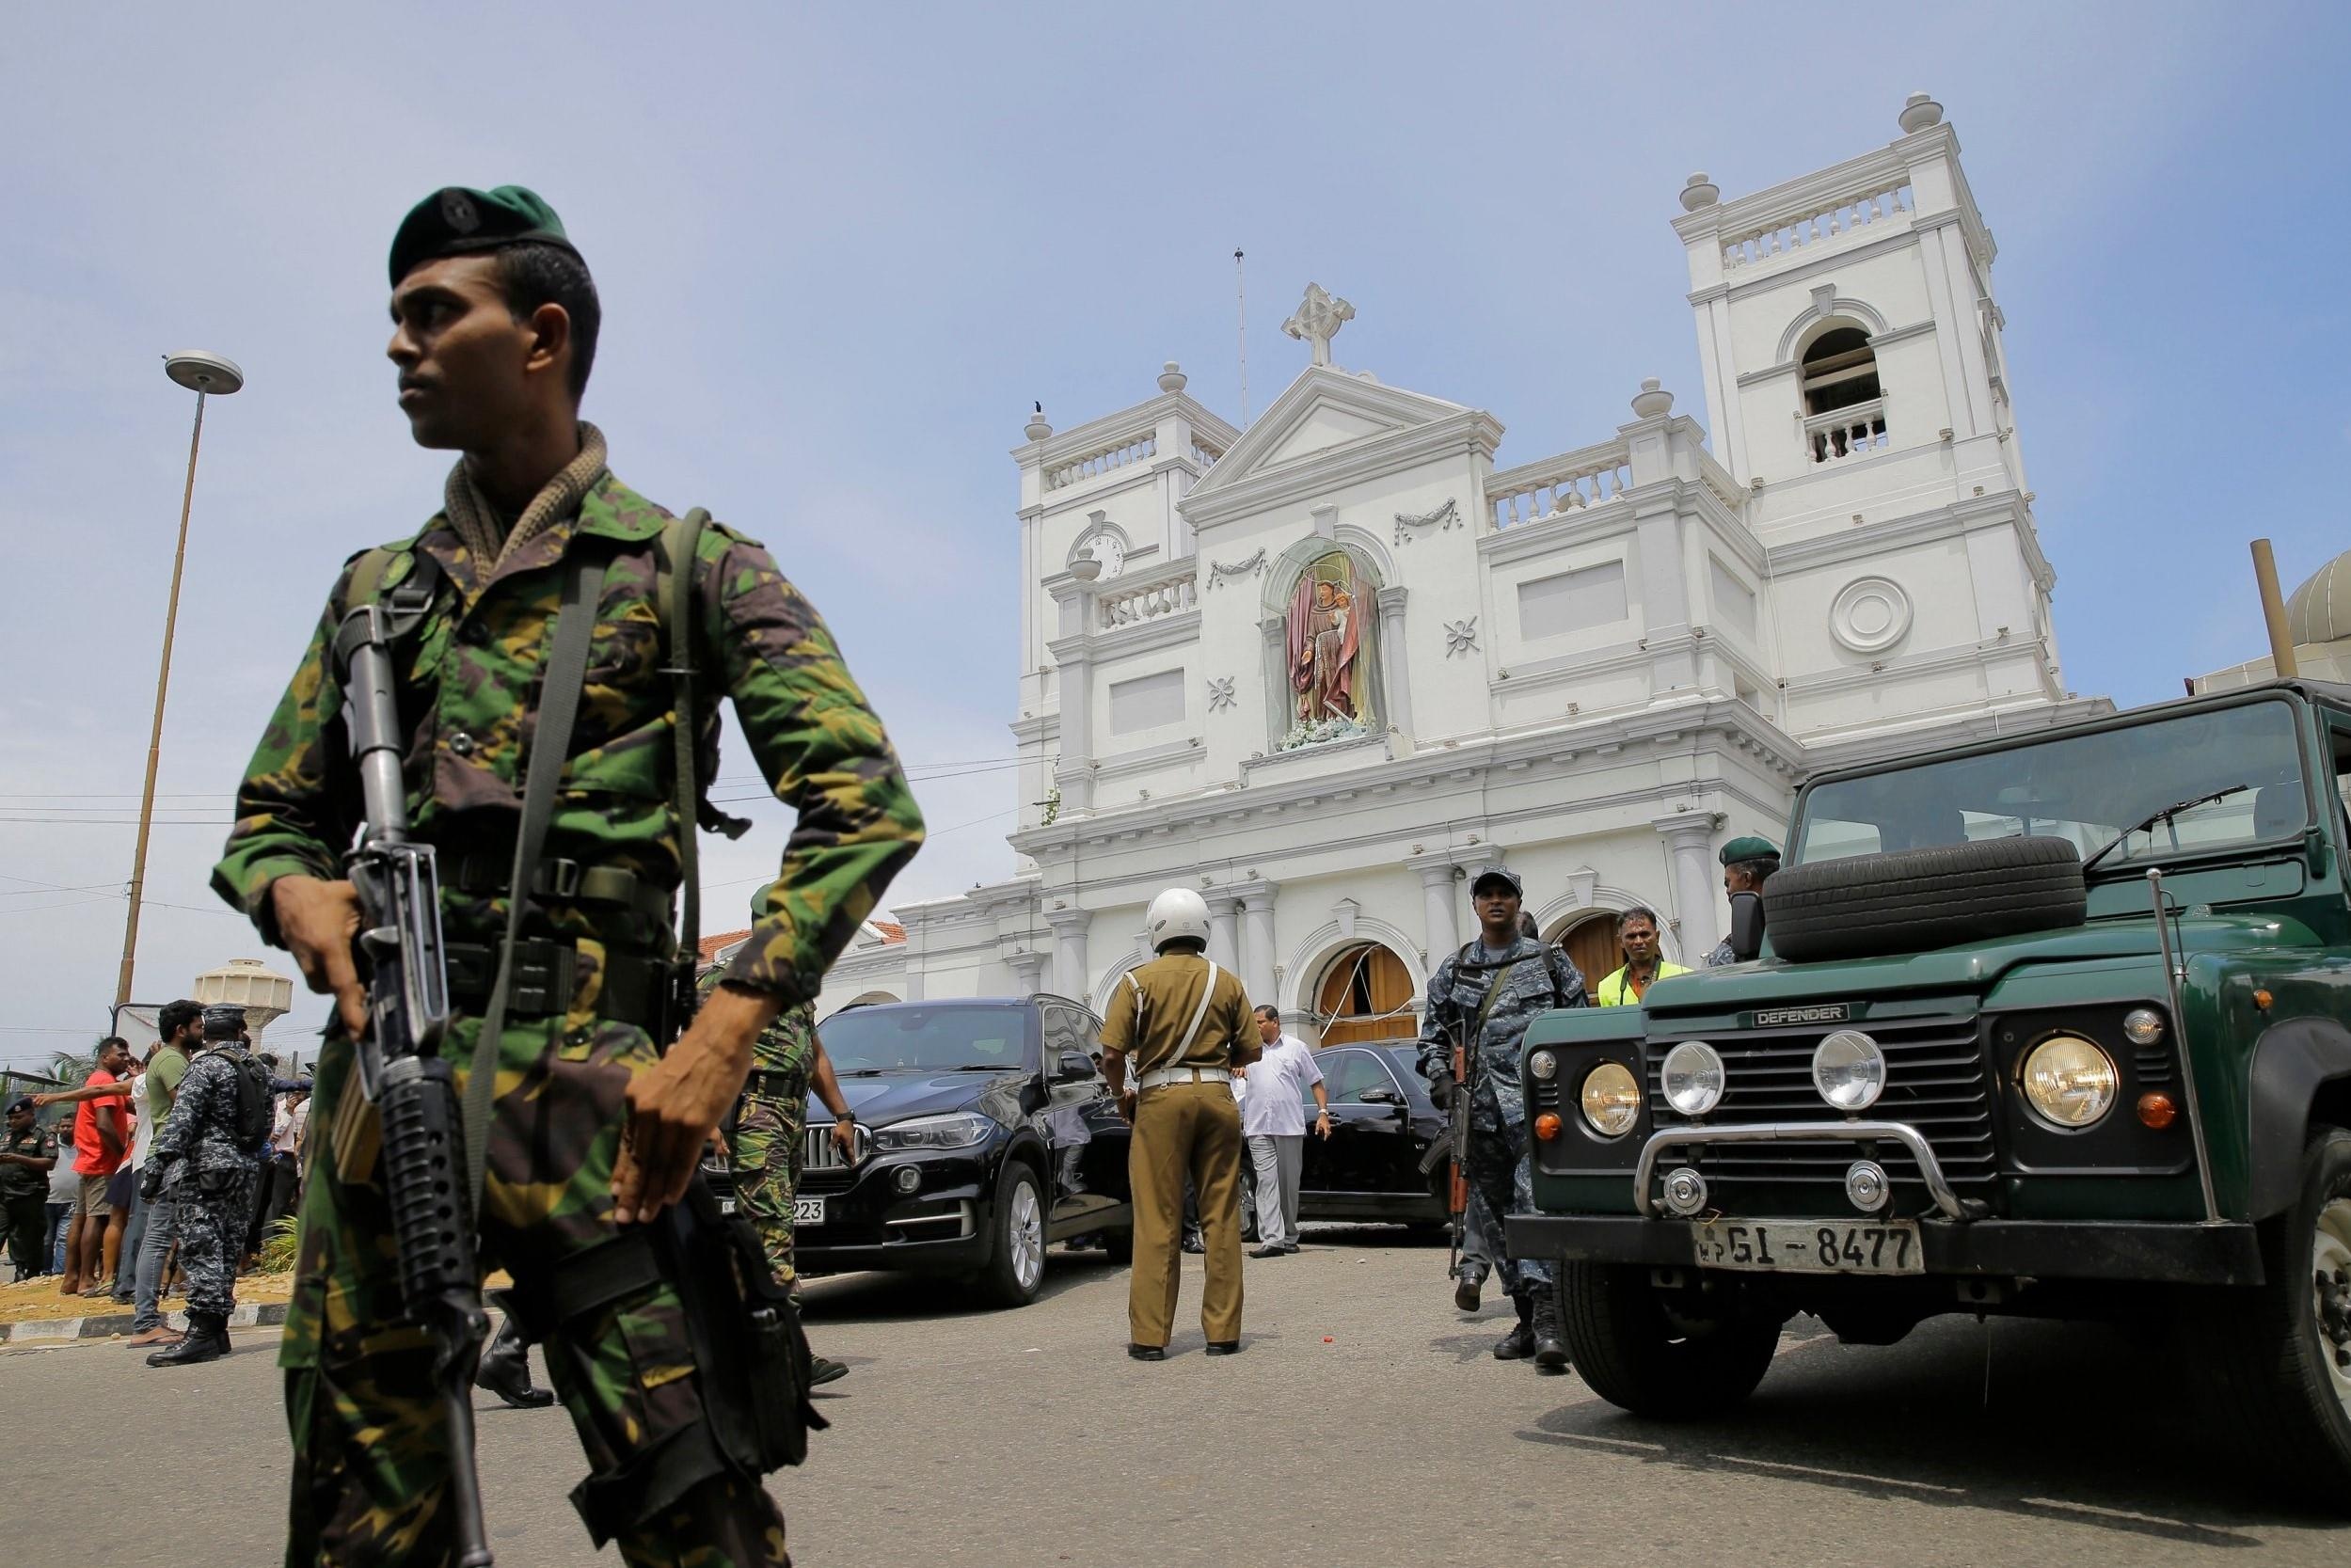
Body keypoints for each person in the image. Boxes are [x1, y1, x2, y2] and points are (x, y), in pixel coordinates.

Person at [211, 183, 922, 1565]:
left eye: (433, 314)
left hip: (602, 1098)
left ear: (540, 335)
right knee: (364, 1519)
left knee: (697, 1506)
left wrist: (726, 1028)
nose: (400, 347)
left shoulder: (685, 565)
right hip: (389, 1088)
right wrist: (291, 891)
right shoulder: (375, 594)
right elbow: (265, 816)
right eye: (395, 320)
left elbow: (862, 803)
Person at [1416, 868, 1586, 1370]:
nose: (1495, 902)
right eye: (1486, 895)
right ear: (1475, 906)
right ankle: (1527, 1317)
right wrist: (1441, 1077)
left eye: (1504, 894)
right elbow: (1431, 1037)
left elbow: (1577, 1028)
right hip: (1480, 1114)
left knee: (1534, 1206)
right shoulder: (1456, 969)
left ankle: (1553, 1319)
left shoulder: (1550, 961)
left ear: (1518, 902)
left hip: (1538, 1111)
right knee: (1496, 1216)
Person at [1099, 888, 1260, 1359]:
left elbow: (1111, 1053)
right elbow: (1252, 1050)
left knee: (1158, 1217)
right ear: (1203, 928)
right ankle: (1223, 1333)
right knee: (1221, 1215)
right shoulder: (1226, 981)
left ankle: (1151, 1337)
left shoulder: (1135, 982)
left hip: (1159, 1098)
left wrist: (1120, 1094)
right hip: (1216, 1096)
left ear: (1156, 930)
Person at [141, 1005, 268, 1367]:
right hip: (245, 1168)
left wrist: (158, 1164)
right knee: (228, 1247)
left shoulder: (206, 1065)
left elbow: (183, 1120)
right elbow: (265, 1122)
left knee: (200, 1247)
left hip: (206, 1169)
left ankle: (200, 1332)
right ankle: (217, 1330)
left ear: (209, 1031)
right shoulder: (257, 1068)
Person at [130, 1000, 202, 1347]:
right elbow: (186, 1105)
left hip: (165, 1156)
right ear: (181, 1029)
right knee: (158, 1239)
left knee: (161, 1238)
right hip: (169, 1156)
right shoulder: (173, 1060)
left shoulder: (171, 1058)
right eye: (198, 1026)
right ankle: (146, 1322)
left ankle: (148, 1319)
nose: (202, 1032)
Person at [1243, 1006, 1328, 1259]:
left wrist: (1323, 1113)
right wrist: (1236, 1066)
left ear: (1275, 1022)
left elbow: (1316, 1082)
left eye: (1260, 1022)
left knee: (1288, 1185)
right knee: (1266, 1183)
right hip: (1257, 1126)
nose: (1256, 1026)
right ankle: (1272, 1239)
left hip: (1288, 1126)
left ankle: (1289, 1235)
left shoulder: (1296, 1048)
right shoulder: (1247, 1050)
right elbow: (1231, 1072)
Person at [61, 1037, 132, 1296]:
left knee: (80, 1218)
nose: (125, 1059)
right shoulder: (104, 1082)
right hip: (103, 1160)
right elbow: (104, 1124)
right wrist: (121, 1154)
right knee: (99, 1218)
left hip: (88, 1159)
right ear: (105, 1057)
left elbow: (131, 1103)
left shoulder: (99, 1081)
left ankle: (71, 1277)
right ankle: (88, 1278)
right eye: (120, 1055)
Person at [2, 1096, 57, 1280]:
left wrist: (19, 1159)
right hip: (4, 1193)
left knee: (30, 1233)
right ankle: (19, 1268)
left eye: (18, 1118)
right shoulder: (7, 1135)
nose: (13, 1121)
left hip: (30, 1193)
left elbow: (49, 1162)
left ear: (31, 1115)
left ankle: (30, 1271)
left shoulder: (42, 1135)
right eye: (10, 1118)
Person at [1706, 836, 1781, 967]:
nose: (1728, 891)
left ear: (1747, 878)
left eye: (1728, 882)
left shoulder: (1728, 953)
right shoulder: (1794, 925)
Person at [1593, 908, 1690, 1006]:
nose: (1638, 941)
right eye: (1631, 936)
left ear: (1657, 937)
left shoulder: (1685, 977)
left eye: (1644, 934)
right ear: (1621, 941)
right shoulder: (1607, 986)